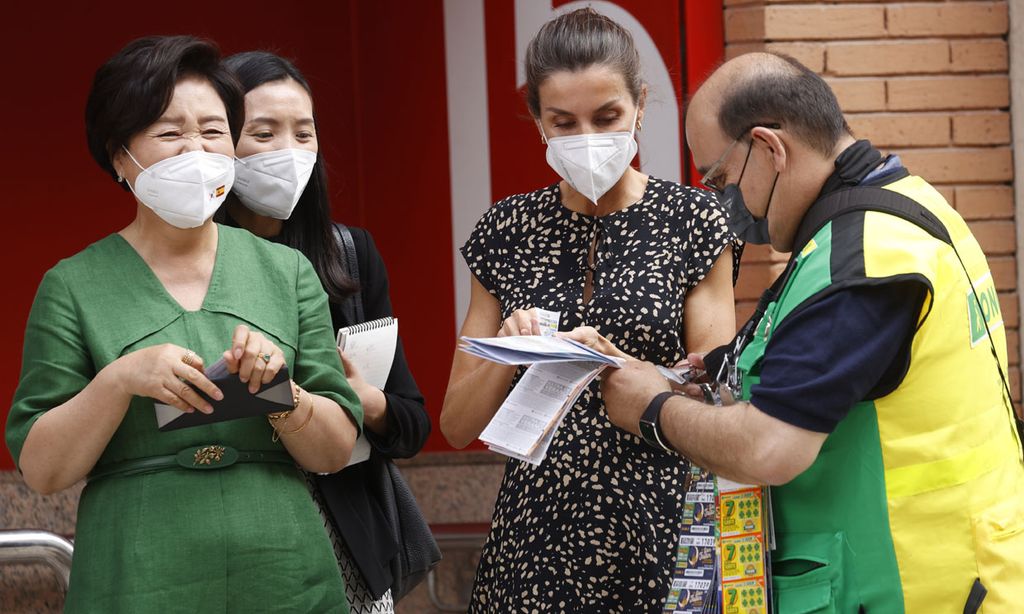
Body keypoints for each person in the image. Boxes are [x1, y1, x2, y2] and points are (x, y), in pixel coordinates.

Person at [601, 51, 1024, 612]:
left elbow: (770, 447)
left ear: (770, 148)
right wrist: (726, 362)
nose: (722, 202)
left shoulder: (861, 260)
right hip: (958, 569)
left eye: (721, 178)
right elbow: (844, 358)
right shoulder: (901, 205)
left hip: (910, 585)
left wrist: (652, 408)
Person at [5, 36, 363, 612]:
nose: (196, 149)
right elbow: (43, 470)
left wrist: (281, 393)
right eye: (171, 133)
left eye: (214, 131)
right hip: (139, 571)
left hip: (283, 572)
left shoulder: (287, 271)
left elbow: (335, 448)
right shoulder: (73, 285)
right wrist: (119, 380)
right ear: (121, 155)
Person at [440, 8, 739, 611]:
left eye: (606, 118)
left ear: (641, 105)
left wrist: (623, 366)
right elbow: (455, 424)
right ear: (538, 122)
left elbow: (721, 399)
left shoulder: (694, 220)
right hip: (535, 536)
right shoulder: (507, 229)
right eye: (563, 122)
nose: (586, 139)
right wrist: (510, 350)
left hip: (662, 522)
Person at [219, 50, 430, 613]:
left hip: (341, 535)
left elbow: (412, 424)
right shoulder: (189, 267)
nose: (287, 152)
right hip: (225, 529)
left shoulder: (348, 256)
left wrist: (367, 403)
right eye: (263, 133)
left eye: (303, 133)